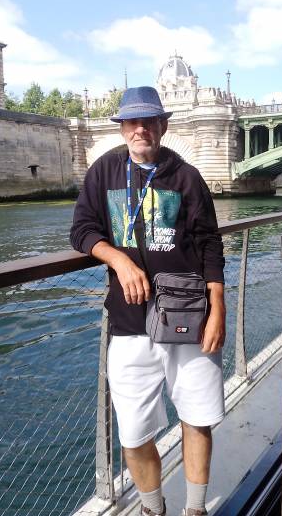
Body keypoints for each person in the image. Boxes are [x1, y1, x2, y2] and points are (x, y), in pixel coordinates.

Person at [70, 86, 226, 516]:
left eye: (149, 121)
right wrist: (118, 259)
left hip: (190, 319)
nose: (141, 129)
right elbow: (82, 230)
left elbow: (209, 245)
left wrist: (218, 309)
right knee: (134, 433)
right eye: (132, 122)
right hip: (129, 323)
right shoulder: (104, 171)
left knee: (197, 419)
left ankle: (196, 509)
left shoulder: (187, 176)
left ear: (163, 126)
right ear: (122, 128)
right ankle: (153, 509)